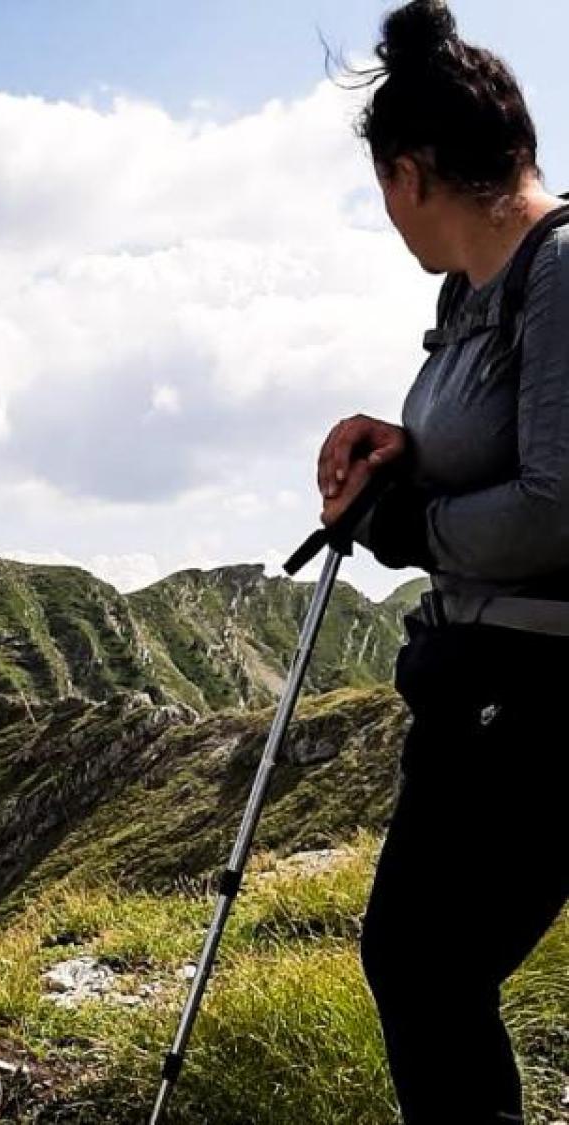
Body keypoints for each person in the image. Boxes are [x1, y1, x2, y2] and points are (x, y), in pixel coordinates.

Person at [317, 2, 569, 1122]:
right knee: (421, 963)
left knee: (421, 962)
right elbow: (504, 440)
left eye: (381, 188)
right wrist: (400, 449)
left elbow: (560, 505)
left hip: (541, 701)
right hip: (479, 687)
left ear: (405, 174)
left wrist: (405, 524)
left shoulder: (560, 272)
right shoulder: (469, 296)